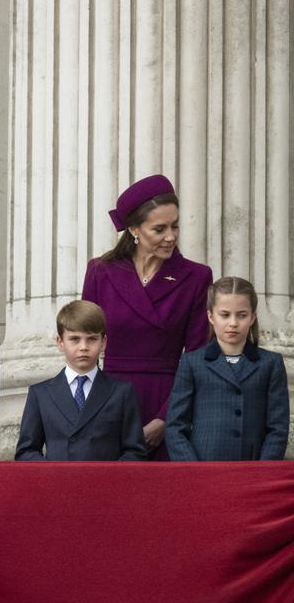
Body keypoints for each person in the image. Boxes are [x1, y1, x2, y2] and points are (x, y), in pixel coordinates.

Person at [82, 174, 213, 460]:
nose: (171, 237)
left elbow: (198, 356)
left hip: (168, 400)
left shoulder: (196, 276)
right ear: (133, 230)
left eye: (175, 226)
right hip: (109, 401)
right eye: (159, 229)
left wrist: (166, 419)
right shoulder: (100, 272)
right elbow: (84, 344)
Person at [164, 277, 289, 461]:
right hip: (204, 470)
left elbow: (277, 428)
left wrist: (262, 470)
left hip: (252, 472)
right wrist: (192, 469)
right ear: (210, 316)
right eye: (224, 315)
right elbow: (175, 426)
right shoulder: (192, 362)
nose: (233, 323)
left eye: (242, 315)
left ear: (253, 317)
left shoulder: (270, 363)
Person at [15, 300, 147, 461]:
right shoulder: (41, 394)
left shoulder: (121, 392)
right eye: (75, 339)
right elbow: (26, 451)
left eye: (91, 339)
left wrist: (111, 479)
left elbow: (135, 452)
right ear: (60, 342)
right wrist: (51, 475)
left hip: (106, 484)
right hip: (57, 483)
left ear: (103, 342)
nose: (83, 347)